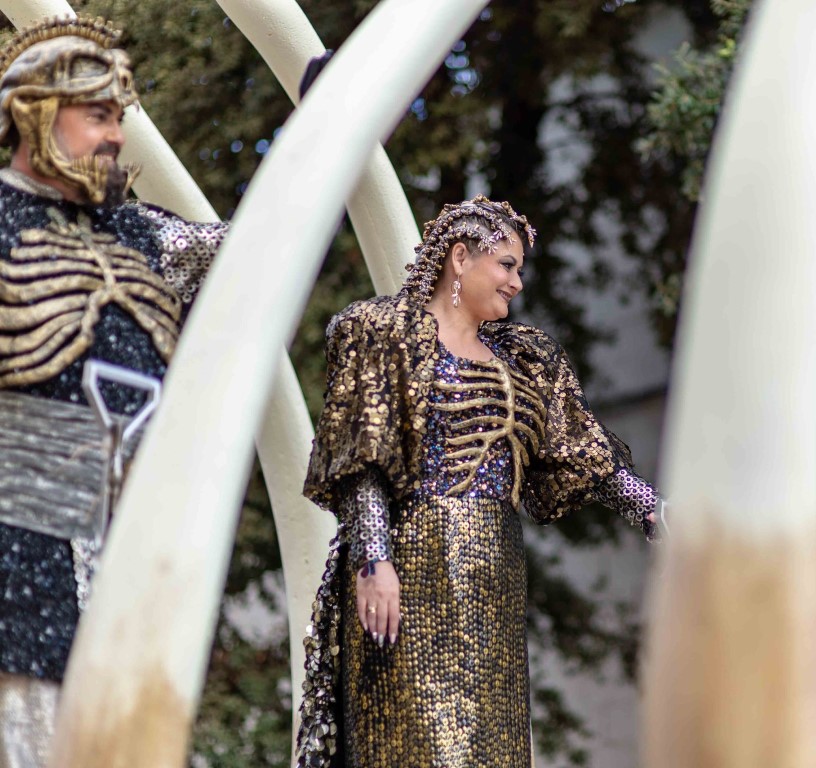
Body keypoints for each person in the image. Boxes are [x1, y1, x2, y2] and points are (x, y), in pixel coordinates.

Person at [295, 196, 661, 767]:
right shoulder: (385, 332)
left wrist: (650, 508)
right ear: (460, 258)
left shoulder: (524, 359)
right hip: (413, 564)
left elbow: (583, 451)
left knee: (491, 750)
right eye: (506, 264)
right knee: (415, 747)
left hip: (495, 576)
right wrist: (373, 560)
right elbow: (364, 459)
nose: (516, 282)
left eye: (519, 269)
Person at [0, 16, 227, 765]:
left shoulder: (142, 234)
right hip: (21, 557)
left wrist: (321, 133)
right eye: (98, 115)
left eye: (118, 118)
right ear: (35, 112)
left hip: (137, 554)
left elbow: (262, 249)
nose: (116, 137)